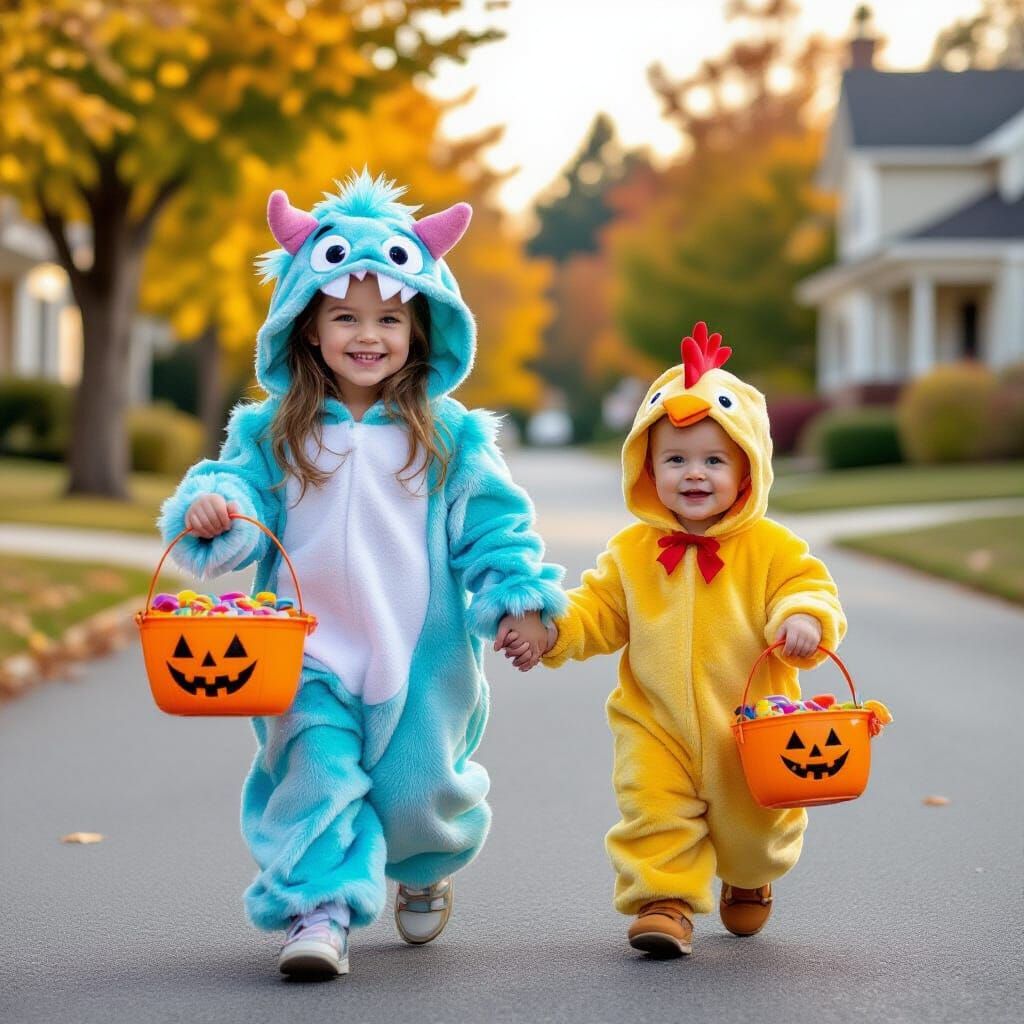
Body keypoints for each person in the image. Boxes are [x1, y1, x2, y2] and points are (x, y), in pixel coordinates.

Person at [159, 171, 566, 978]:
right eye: (345, 316)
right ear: (307, 327)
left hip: (417, 655)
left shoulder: (448, 436)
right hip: (300, 651)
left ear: (422, 329)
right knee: (313, 778)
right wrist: (213, 504)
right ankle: (319, 910)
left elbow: (495, 530)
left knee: (417, 796)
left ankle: (421, 868)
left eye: (390, 318)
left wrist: (518, 598)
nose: (367, 334)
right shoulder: (276, 430)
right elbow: (238, 491)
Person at [500, 322, 846, 959]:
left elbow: (809, 587)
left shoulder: (768, 548)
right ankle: (664, 901)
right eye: (676, 460)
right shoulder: (633, 553)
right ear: (645, 468)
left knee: (753, 828)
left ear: (746, 469)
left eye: (714, 460)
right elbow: (597, 611)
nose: (694, 474)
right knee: (653, 811)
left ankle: (749, 874)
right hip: (653, 721)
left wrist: (802, 619)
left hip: (749, 726)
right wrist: (548, 630)